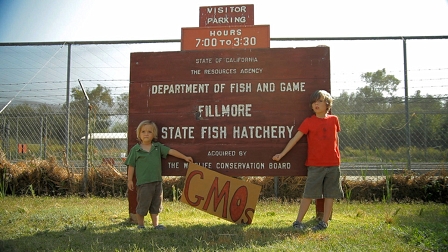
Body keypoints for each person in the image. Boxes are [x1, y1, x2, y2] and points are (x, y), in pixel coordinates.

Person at [272, 90, 343, 232]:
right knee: (309, 194)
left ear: (327, 104)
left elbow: (336, 139)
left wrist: (337, 156)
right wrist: (282, 154)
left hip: (333, 164)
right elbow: (295, 139)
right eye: (314, 102)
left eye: (320, 101)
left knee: (330, 194)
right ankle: (298, 221)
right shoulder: (309, 122)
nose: (316, 104)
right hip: (315, 165)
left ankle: (324, 222)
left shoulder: (334, 119)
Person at [126, 120, 194, 230]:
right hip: (144, 183)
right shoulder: (136, 150)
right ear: (139, 134)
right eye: (143, 131)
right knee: (143, 204)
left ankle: (156, 225)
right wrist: (129, 180)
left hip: (157, 182)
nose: (146, 134)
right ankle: (141, 225)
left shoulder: (157, 147)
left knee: (156, 205)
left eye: (149, 131)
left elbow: (171, 151)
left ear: (154, 134)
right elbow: (131, 165)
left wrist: (184, 157)